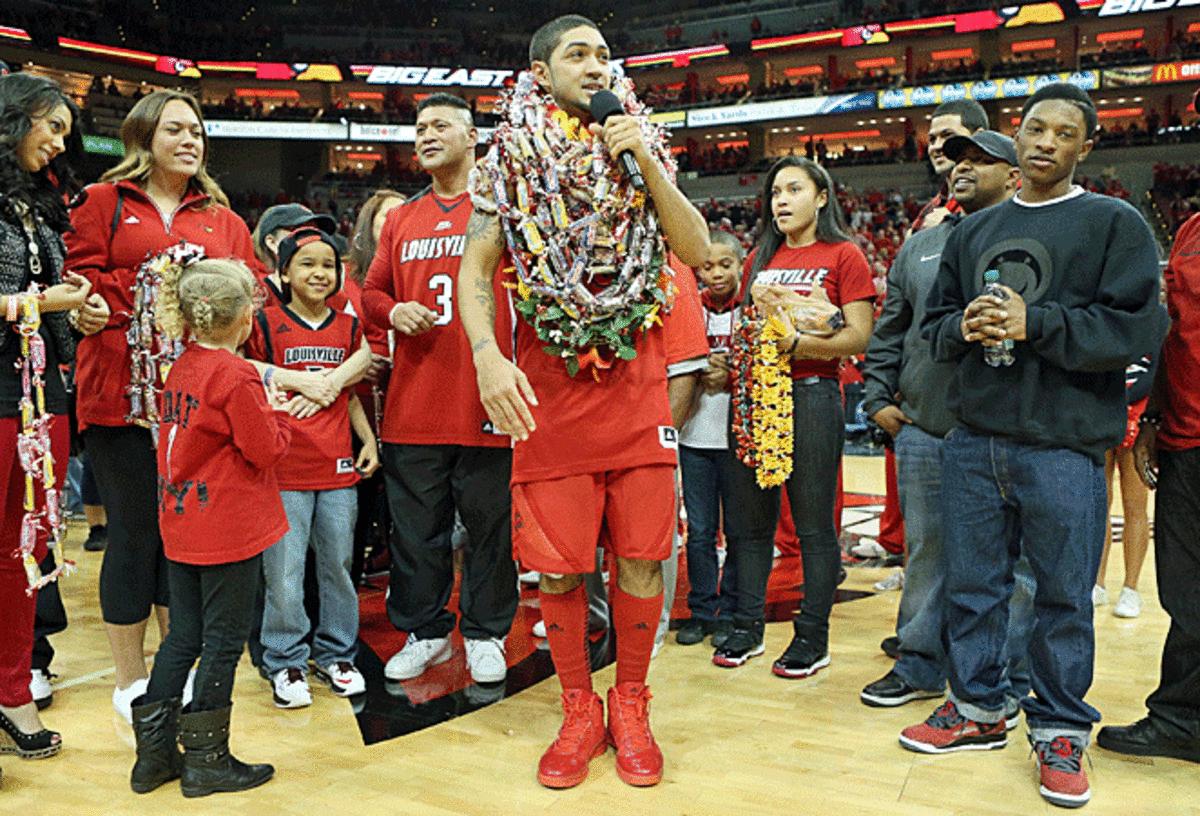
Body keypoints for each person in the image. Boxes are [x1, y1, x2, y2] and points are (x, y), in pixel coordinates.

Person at [458, 15, 709, 789]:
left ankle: (630, 703)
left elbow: (697, 250)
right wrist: (487, 355)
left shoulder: (641, 144)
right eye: (578, 54)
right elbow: (475, 272)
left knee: (640, 560)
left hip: (635, 398)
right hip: (550, 401)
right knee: (560, 573)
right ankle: (578, 709)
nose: (596, 65)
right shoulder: (508, 158)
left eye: (604, 54)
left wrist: (645, 162)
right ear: (540, 72)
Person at [908, 83, 1167, 808]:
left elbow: (1136, 331)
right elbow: (932, 332)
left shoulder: (1113, 224)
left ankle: (1058, 727)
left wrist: (1036, 324)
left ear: (1085, 147)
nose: (1044, 140)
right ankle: (979, 707)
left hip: (1065, 444)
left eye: (1062, 132)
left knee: (1060, 597)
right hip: (974, 438)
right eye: (1034, 127)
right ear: (1015, 137)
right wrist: (964, 328)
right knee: (974, 587)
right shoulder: (971, 231)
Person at [64, 90, 261, 722]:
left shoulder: (223, 220)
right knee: (134, 535)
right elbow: (76, 282)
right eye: (175, 129)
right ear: (143, 137)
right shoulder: (102, 202)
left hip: (197, 407)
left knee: (185, 537)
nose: (190, 140)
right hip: (119, 400)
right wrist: (102, 302)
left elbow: (248, 297)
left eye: (197, 131)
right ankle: (130, 678)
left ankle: (179, 665)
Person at [859, 131, 1033, 718]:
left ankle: (1006, 675)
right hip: (928, 428)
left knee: (1011, 561)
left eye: (982, 160)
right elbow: (889, 328)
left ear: (1015, 175)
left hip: (1009, 433)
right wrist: (877, 395)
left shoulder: (1031, 239)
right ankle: (918, 663)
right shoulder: (923, 245)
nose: (964, 168)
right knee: (927, 552)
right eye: (959, 159)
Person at [363, 93, 518, 686]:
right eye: (419, 127)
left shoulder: (504, 210)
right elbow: (371, 293)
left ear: (472, 136)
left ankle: (484, 634)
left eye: (440, 125)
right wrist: (394, 308)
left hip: (489, 400)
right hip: (414, 406)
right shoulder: (402, 218)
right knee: (417, 535)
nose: (426, 135)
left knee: (489, 530)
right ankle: (424, 631)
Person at [129, 258, 284, 798]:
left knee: (183, 638)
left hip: (182, 522)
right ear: (245, 318)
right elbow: (264, 449)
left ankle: (153, 759)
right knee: (223, 643)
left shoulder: (183, 366)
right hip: (228, 527)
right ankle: (207, 763)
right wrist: (279, 415)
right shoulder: (238, 375)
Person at [716, 157, 875, 675]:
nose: (781, 200)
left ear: (821, 197)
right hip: (756, 393)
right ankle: (746, 628)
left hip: (811, 393)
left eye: (793, 190)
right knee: (750, 523)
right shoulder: (760, 258)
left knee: (812, 524)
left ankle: (813, 636)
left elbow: (856, 336)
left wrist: (800, 340)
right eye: (775, 192)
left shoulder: (844, 254)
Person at [0, 71, 96, 764]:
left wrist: (78, 312)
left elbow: (44, 296)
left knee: (23, 552)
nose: (60, 142)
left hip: (41, 395)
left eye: (65, 130)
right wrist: (47, 303)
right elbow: (27, 296)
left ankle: (12, 689)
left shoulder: (42, 202)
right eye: (51, 126)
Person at [246, 228, 378, 708]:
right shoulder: (263, 324)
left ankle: (337, 654)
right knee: (283, 572)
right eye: (306, 264)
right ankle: (285, 661)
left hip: (338, 468)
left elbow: (348, 395)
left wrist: (367, 438)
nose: (319, 273)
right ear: (282, 272)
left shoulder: (349, 327)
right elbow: (248, 378)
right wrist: (299, 388)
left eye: (328, 264)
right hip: (284, 470)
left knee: (339, 566)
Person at [1096, 168, 1200, 764]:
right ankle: (1182, 718)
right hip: (1184, 436)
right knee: (1187, 594)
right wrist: (1155, 418)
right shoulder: (1189, 228)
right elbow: (1175, 334)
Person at [675, 230, 744, 647]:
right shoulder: (688, 310)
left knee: (736, 529)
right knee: (699, 530)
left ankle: (733, 608)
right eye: (708, 266)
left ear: (740, 265)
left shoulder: (752, 310)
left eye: (725, 265)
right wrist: (702, 370)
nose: (716, 274)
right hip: (695, 435)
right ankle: (702, 610)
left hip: (738, 436)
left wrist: (732, 372)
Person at [1092, 353, 1154, 618]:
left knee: (1135, 505)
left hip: (1137, 416)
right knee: (1098, 504)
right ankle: (1097, 582)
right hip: (1102, 414)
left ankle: (1131, 588)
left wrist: (1125, 399)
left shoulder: (1156, 320)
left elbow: (1156, 372)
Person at [910, 98, 988, 235]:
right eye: (932, 139)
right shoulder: (931, 209)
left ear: (979, 136)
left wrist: (951, 228)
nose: (937, 146)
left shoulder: (1001, 193)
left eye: (948, 136)